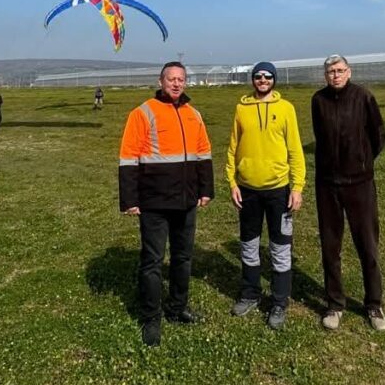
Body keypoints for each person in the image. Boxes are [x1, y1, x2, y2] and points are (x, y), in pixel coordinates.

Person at [118, 61, 214, 346]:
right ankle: (151, 318)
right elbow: (128, 156)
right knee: (152, 261)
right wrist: (130, 199)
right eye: (171, 79)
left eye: (180, 79)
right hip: (155, 201)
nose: (176, 83)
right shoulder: (143, 112)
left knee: (183, 258)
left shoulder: (193, 114)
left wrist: (206, 189)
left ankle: (177, 307)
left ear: (185, 82)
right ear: (161, 81)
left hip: (186, 201)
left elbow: (204, 153)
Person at [226, 61, 306, 330]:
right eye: (258, 76)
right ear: (252, 80)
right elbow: (232, 148)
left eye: (267, 76)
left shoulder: (286, 109)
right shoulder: (241, 108)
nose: (262, 80)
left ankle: (279, 301)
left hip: (278, 191)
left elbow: (295, 149)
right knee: (249, 246)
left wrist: (297, 187)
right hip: (247, 190)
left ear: (274, 80)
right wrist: (232, 182)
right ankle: (250, 294)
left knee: (280, 249)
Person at [311, 54, 385, 332]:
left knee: (367, 244)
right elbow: (320, 136)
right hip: (328, 184)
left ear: (349, 72)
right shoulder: (318, 101)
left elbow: (378, 135)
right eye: (331, 71)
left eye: (340, 70)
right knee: (330, 246)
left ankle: (373, 303)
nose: (335, 75)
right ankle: (335, 304)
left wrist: (362, 162)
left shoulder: (364, 97)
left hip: (360, 184)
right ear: (325, 75)